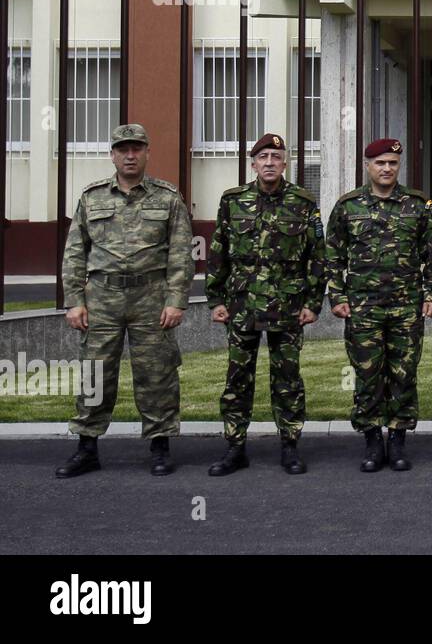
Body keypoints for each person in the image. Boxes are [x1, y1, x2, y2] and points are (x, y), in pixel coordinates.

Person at [56, 124, 194, 478]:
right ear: (113, 155)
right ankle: (87, 447)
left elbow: (181, 253)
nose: (130, 155)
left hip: (151, 296)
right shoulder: (92, 197)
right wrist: (74, 300)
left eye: (136, 149)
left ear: (147, 152)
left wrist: (176, 299)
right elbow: (74, 253)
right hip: (102, 297)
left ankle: (160, 446)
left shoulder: (167, 197)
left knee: (157, 373)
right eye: (123, 149)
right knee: (95, 373)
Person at [205, 133, 325, 477]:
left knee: (287, 379)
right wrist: (216, 300)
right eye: (263, 157)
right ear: (253, 163)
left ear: (285, 162)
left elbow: (318, 256)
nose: (269, 162)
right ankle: (235, 447)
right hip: (242, 307)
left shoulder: (303, 201)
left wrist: (313, 303)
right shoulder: (233, 201)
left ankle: (289, 446)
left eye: (276, 156)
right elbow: (218, 253)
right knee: (237, 380)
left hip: (288, 308)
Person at [324, 139, 432, 472]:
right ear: (368, 166)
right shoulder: (348, 206)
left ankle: (398, 439)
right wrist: (337, 296)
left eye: (393, 163)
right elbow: (332, 255)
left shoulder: (418, 204)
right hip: (363, 309)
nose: (387, 168)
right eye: (380, 163)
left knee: (403, 374)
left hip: (406, 308)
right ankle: (371, 440)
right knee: (367, 376)